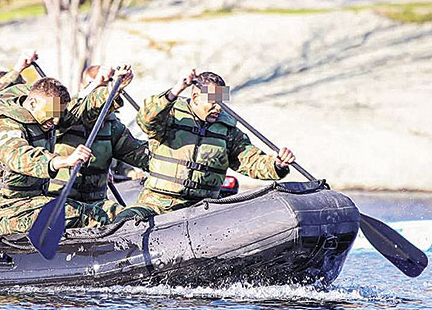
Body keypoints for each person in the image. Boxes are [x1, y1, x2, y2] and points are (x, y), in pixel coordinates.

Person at [114, 69, 296, 222]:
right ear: (195, 97)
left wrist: (277, 164)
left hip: (203, 209)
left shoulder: (228, 131)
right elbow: (146, 119)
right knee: (125, 221)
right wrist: (176, 90)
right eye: (213, 102)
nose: (219, 108)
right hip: (157, 203)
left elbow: (251, 161)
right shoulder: (170, 117)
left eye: (221, 103)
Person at [0, 76, 115, 235]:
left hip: (31, 204)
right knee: (90, 217)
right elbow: (19, 156)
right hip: (4, 213)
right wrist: (61, 161)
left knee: (102, 212)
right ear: (32, 103)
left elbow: (79, 111)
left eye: (59, 114)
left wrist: (112, 91)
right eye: (52, 114)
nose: (56, 121)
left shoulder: (45, 114)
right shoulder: (5, 125)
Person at [51, 65, 150, 220]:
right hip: (58, 201)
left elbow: (140, 154)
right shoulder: (61, 117)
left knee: (132, 217)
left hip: (96, 204)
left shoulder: (112, 126)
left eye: (103, 88)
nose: (98, 93)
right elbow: (55, 114)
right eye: (92, 85)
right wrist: (95, 84)